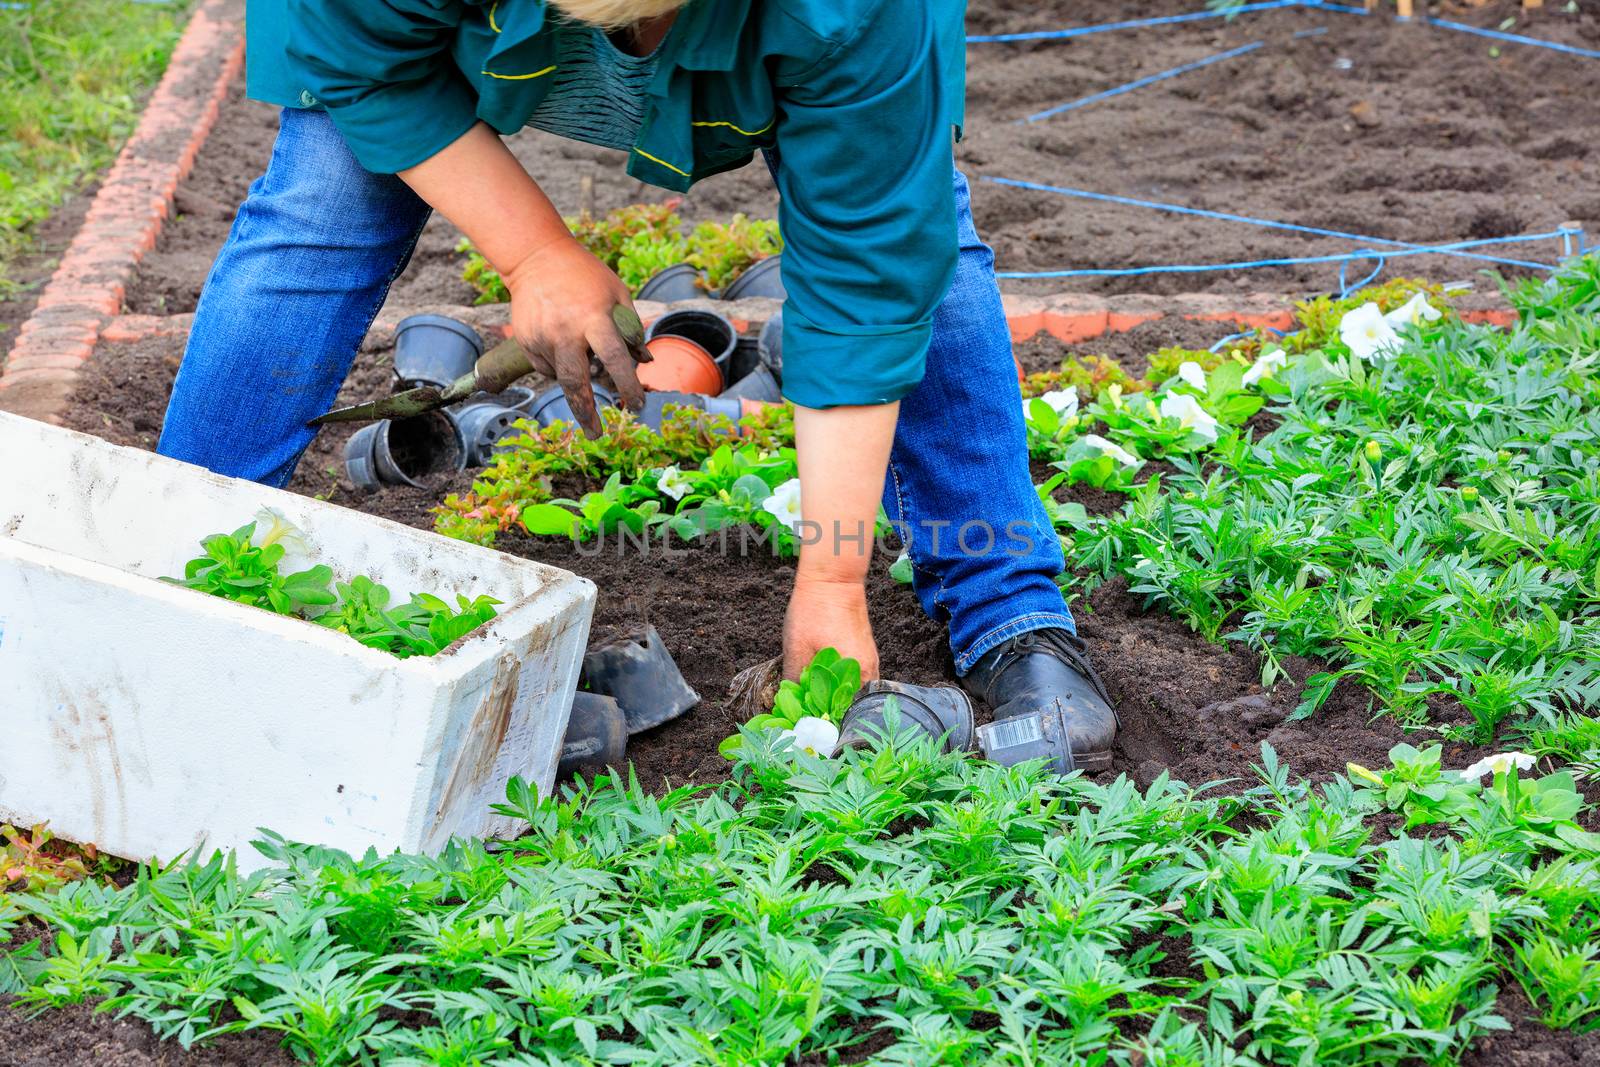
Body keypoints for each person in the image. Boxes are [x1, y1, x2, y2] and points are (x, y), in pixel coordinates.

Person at [158, 0, 1119, 770]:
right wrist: (536, 254)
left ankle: (1007, 605)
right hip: (421, 23)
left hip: (813, 28)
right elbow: (362, 57)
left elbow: (869, 269)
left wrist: (832, 581)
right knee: (329, 195)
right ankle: (169, 593)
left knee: (915, 244)